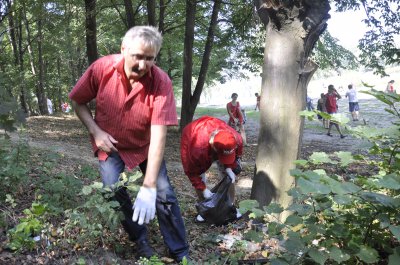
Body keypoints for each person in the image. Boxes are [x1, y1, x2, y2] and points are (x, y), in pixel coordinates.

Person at [68, 26, 189, 262]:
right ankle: (140, 238)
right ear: (124, 49)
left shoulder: (161, 82)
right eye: (137, 56)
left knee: (164, 194)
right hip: (110, 145)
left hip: (145, 146)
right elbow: (77, 101)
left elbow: (158, 135)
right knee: (111, 191)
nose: (143, 65)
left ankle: (179, 251)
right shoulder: (101, 69)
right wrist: (96, 132)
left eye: (149, 59)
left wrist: (150, 185)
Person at [180, 116, 243, 222]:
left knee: (229, 177)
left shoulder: (236, 139)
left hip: (215, 130)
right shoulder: (197, 150)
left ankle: (230, 206)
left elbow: (237, 154)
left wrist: (229, 168)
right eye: (221, 156)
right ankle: (205, 210)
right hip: (192, 136)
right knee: (200, 178)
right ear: (213, 147)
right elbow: (191, 172)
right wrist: (203, 189)